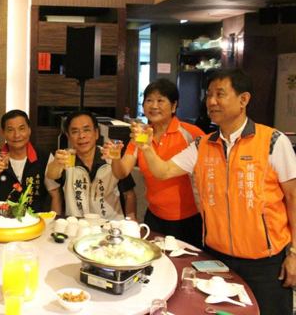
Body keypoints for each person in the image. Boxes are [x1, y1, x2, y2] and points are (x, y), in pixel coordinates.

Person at [134, 68, 296, 315]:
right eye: (209, 94)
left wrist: (294, 253)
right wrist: (145, 146)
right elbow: (163, 171)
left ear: (243, 99)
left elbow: (293, 198)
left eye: (220, 94)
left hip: (265, 263)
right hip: (216, 259)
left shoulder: (273, 141)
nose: (211, 101)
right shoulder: (202, 145)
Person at [102, 79, 204, 247]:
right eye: (149, 100)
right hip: (154, 216)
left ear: (174, 106)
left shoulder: (191, 134)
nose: (154, 106)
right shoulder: (140, 136)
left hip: (188, 220)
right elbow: (121, 172)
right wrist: (115, 157)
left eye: (160, 100)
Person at [46, 110, 137, 220]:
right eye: (75, 132)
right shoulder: (65, 159)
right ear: (68, 136)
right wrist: (56, 163)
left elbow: (129, 194)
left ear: (96, 133)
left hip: (110, 225)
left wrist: (131, 222)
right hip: (78, 225)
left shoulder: (112, 157)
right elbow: (52, 175)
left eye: (86, 130)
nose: (81, 136)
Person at [0, 109, 62, 213]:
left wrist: (54, 221)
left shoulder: (45, 157)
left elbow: (55, 195)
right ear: (3, 133)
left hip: (34, 220)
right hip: (1, 219)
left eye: (22, 128)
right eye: (10, 130)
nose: (17, 135)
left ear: (29, 130)